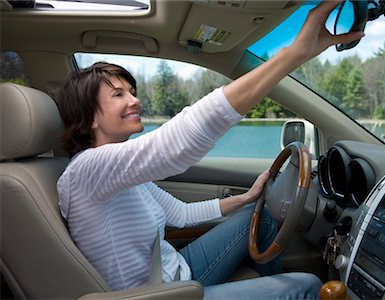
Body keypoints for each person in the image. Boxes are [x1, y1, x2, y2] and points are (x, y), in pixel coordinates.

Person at [56, 1, 364, 299]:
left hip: (176, 272)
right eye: (118, 94)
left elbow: (180, 213)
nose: (134, 100)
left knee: (259, 218)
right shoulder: (87, 170)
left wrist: (246, 198)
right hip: (157, 295)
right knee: (307, 285)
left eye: (132, 92)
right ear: (90, 115)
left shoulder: (118, 172)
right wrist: (293, 54)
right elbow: (177, 144)